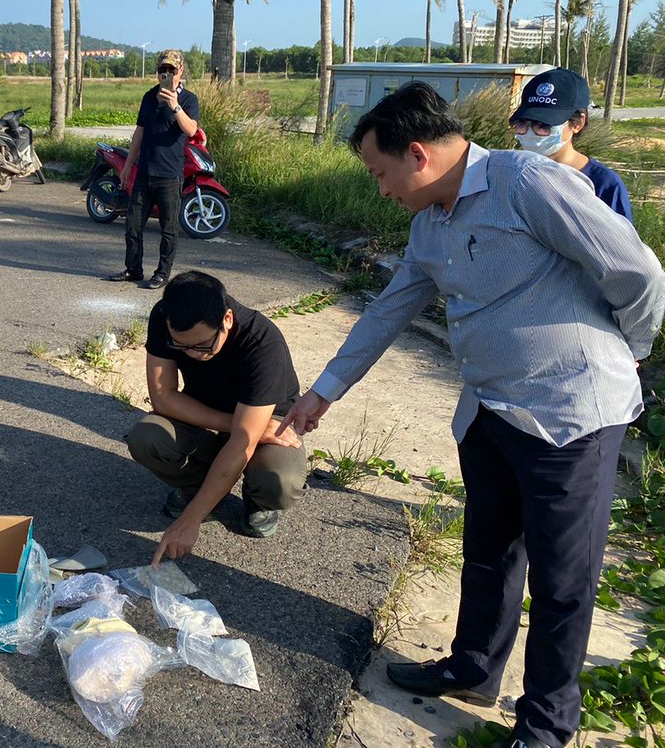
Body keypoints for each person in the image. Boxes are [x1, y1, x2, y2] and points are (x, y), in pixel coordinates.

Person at [279, 82, 665, 748]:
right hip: (490, 411)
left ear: (419, 156)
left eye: (381, 174)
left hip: (570, 417)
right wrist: (322, 393)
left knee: (562, 581)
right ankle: (474, 669)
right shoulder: (431, 224)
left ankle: (546, 723)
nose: (381, 191)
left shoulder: (528, 183)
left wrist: (626, 354)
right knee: (488, 553)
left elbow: (637, 272)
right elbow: (387, 310)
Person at [127, 270, 307, 564]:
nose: (193, 354)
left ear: (226, 319)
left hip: (270, 422)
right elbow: (163, 397)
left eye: (202, 345)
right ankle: (200, 487)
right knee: (147, 437)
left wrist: (190, 521)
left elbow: (242, 442)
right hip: (211, 416)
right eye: (181, 346)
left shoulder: (262, 342)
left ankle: (256, 500)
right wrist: (240, 426)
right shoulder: (165, 316)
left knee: (280, 482)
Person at [108, 49, 199, 290]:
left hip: (170, 175)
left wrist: (175, 106)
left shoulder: (189, 99)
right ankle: (133, 269)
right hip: (145, 172)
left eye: (171, 70)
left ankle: (162, 273)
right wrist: (128, 166)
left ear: (181, 71)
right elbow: (139, 131)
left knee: (168, 229)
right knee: (133, 225)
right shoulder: (149, 97)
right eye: (163, 70)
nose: (166, 73)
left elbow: (191, 130)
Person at [509, 67, 631, 221]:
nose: (529, 133)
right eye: (522, 124)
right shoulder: (511, 173)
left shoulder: (603, 185)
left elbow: (618, 243)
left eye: (543, 125)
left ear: (577, 124)